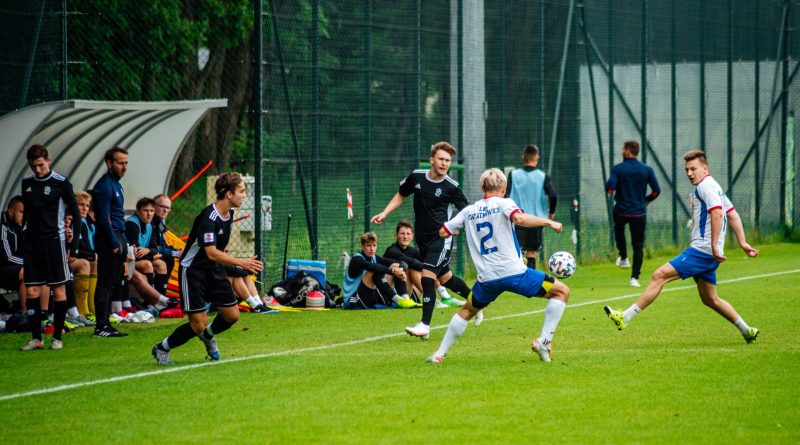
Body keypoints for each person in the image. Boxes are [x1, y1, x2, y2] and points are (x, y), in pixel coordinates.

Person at [604, 150, 759, 343]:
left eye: (693, 169)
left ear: (705, 168)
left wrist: (714, 246)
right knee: (710, 299)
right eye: (687, 170)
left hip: (702, 251)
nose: (689, 173)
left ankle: (624, 317)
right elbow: (733, 214)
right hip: (707, 252)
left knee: (659, 275)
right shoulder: (714, 186)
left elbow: (718, 214)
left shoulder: (705, 186)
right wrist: (742, 242)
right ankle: (746, 330)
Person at [427, 168, 569, 363]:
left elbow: (444, 232)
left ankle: (439, 354)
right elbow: (519, 218)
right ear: (503, 188)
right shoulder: (505, 203)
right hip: (515, 274)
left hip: (487, 279)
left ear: (482, 188)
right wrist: (549, 222)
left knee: (466, 311)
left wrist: (462, 230)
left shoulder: (468, 211)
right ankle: (544, 342)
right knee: (562, 292)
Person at [151, 173, 263, 365]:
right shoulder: (208, 218)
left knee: (232, 315)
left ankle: (208, 335)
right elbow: (211, 252)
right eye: (242, 191)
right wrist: (241, 262)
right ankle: (162, 348)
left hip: (213, 269)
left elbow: (216, 252)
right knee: (197, 324)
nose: (245, 195)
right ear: (229, 194)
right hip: (193, 271)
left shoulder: (229, 214)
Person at [371, 142, 473, 339]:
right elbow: (401, 195)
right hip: (422, 240)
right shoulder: (417, 177)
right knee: (446, 278)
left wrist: (454, 227)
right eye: (441, 159)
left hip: (441, 239)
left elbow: (467, 212)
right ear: (432, 160)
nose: (444, 164)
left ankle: (424, 325)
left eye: (448, 160)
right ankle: (477, 302)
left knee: (427, 277)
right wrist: (384, 213)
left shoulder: (451, 187)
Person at [19, 144, 81, 350]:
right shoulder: (27, 183)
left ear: (48, 160)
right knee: (32, 290)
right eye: (33, 166)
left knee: (58, 289)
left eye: (41, 165)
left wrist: (74, 246)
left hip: (54, 242)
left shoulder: (61, 183)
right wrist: (23, 235)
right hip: (32, 244)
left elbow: (76, 215)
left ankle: (57, 338)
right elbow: (27, 213)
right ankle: (36, 339)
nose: (37, 170)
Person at [605, 140, 660, 287]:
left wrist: (612, 187)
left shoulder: (618, 169)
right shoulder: (646, 169)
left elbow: (610, 188)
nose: (621, 151)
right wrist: (647, 200)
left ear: (627, 150)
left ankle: (623, 257)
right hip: (639, 213)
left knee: (618, 229)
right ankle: (634, 278)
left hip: (621, 211)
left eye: (623, 148)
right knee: (638, 245)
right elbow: (656, 191)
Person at [383, 219, 467, 311]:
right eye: (402, 234)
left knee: (428, 268)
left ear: (412, 236)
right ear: (396, 235)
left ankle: (445, 296)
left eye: (408, 234)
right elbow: (411, 262)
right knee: (417, 269)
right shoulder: (392, 250)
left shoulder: (413, 251)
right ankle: (432, 299)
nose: (405, 237)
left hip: (410, 290)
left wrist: (433, 269)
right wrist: (433, 269)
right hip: (392, 293)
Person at [92, 146, 130, 337]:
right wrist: (114, 243)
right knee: (105, 282)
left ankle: (106, 323)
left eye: (126, 163)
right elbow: (103, 218)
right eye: (120, 163)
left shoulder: (117, 184)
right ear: (109, 163)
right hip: (109, 238)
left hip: (119, 235)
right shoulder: (104, 186)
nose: (124, 167)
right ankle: (101, 326)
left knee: (113, 282)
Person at [505, 144, 557, 270]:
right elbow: (553, 196)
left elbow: (506, 195)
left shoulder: (513, 175)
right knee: (532, 253)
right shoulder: (543, 176)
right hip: (536, 220)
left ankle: (517, 275)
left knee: (517, 252)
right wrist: (551, 214)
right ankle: (531, 278)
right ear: (537, 158)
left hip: (518, 219)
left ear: (523, 157)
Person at [342, 232, 418, 309]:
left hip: (368, 294)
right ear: (362, 246)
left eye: (374, 245)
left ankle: (405, 298)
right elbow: (372, 267)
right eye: (368, 245)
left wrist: (401, 269)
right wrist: (392, 272)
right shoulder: (356, 260)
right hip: (353, 300)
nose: (372, 249)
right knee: (375, 270)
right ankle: (398, 300)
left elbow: (402, 263)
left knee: (396, 266)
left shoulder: (374, 257)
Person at [152, 194, 181, 297]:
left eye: (168, 208)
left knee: (170, 258)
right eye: (162, 206)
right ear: (154, 206)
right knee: (167, 259)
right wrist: (176, 253)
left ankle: (161, 296)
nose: (165, 210)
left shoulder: (159, 223)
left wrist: (177, 250)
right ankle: (158, 297)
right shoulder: (150, 222)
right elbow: (156, 247)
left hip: (152, 253)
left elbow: (162, 245)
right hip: (145, 255)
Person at [0, 196, 26, 313]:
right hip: (3, 268)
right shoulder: (3, 227)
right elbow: (7, 257)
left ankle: (44, 312)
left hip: (13, 268)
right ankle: (25, 313)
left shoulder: (23, 227)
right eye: (21, 212)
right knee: (29, 272)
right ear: (11, 212)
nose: (25, 216)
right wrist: (30, 263)